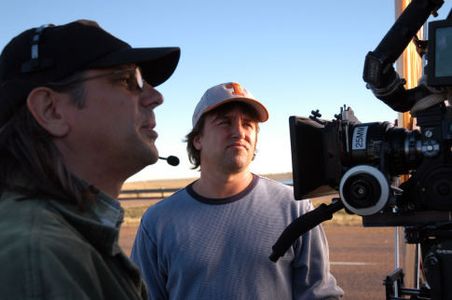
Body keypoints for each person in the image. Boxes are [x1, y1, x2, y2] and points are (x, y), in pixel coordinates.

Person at [0, 20, 180, 299]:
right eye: (127, 80)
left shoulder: (75, 238)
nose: (156, 97)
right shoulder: (37, 258)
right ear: (51, 110)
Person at [131, 82, 344, 299]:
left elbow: (319, 293)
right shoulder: (158, 221)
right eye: (225, 122)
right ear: (198, 139)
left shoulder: (295, 208)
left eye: (248, 124)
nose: (239, 132)